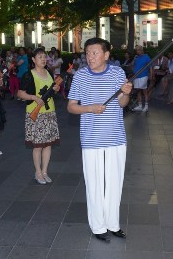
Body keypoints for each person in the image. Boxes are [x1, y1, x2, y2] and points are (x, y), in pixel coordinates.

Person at [67, 38, 132, 243]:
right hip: (91, 138)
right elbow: (71, 106)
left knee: (115, 183)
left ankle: (113, 224)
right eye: (87, 53)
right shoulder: (80, 76)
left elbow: (123, 103)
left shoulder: (117, 73)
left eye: (95, 53)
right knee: (94, 184)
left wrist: (126, 93)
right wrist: (90, 108)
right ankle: (98, 226)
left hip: (116, 137)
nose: (90, 57)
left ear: (106, 55)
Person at [17, 48, 60, 185]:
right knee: (38, 146)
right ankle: (38, 172)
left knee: (48, 145)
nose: (43, 59)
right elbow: (20, 93)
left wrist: (56, 89)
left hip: (50, 112)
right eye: (40, 57)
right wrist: (33, 97)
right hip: (35, 113)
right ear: (34, 60)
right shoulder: (28, 75)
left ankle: (45, 171)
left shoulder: (48, 73)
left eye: (44, 57)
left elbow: (52, 93)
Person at [131, 45, 151, 112]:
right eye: (136, 50)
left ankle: (146, 106)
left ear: (142, 50)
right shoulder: (136, 57)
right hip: (136, 76)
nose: (137, 52)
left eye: (138, 50)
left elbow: (150, 67)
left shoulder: (147, 57)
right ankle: (140, 106)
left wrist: (151, 75)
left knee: (144, 91)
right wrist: (134, 59)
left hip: (144, 76)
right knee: (138, 91)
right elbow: (132, 65)